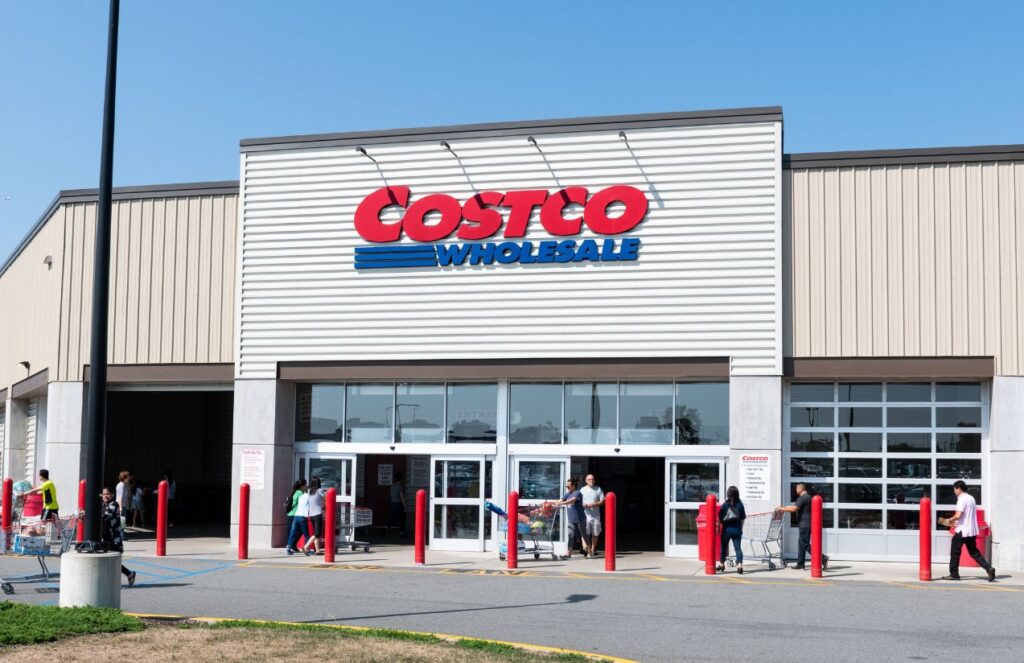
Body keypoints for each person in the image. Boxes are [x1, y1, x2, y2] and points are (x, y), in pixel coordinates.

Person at [943, 480, 995, 582]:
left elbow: (958, 515)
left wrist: (949, 520)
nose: (954, 492)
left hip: (962, 530)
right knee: (974, 552)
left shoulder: (961, 499)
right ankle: (988, 568)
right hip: (971, 530)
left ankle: (954, 574)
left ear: (959, 489)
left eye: (955, 489)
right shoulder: (971, 498)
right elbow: (967, 515)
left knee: (955, 552)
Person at [777, 483, 828, 571]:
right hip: (806, 524)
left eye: (797, 488)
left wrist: (781, 509)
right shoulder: (808, 497)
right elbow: (796, 507)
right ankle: (800, 564)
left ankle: (822, 557)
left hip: (805, 525)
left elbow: (793, 509)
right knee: (801, 544)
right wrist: (784, 507)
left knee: (804, 544)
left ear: (801, 489)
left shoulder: (802, 498)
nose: (796, 490)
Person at [100, 486, 137, 587]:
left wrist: (90, 514)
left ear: (112, 495)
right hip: (106, 537)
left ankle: (127, 575)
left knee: (113, 561)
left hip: (114, 538)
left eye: (107, 494)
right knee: (110, 561)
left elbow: (106, 516)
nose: (105, 496)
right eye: (103, 494)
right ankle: (129, 574)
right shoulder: (103, 505)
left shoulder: (113, 504)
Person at [554, 477, 587, 559]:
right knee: (570, 535)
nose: (567, 488)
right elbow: (560, 500)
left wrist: (561, 503)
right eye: (566, 486)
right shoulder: (567, 494)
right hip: (571, 520)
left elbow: (571, 501)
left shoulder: (577, 493)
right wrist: (551, 503)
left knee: (583, 535)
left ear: (573, 486)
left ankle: (589, 550)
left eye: (568, 486)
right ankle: (568, 554)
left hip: (580, 519)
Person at [717, 486, 746, 574]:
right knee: (738, 548)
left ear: (728, 494)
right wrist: (740, 529)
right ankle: (740, 566)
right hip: (737, 530)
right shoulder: (740, 505)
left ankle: (722, 565)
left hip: (727, 530)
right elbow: (742, 519)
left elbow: (720, 517)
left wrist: (719, 526)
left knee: (723, 547)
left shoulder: (725, 505)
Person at [580, 474, 605, 559]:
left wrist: (594, 504)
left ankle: (593, 549)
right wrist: (583, 505)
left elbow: (602, 501)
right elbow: (579, 502)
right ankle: (586, 550)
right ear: (586, 481)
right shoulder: (582, 490)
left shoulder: (598, 489)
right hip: (585, 515)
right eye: (589, 479)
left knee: (595, 533)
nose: (591, 480)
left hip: (595, 515)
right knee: (584, 533)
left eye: (593, 479)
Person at [301, 478, 325, 556]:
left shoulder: (309, 491)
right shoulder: (319, 490)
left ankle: (317, 550)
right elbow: (327, 497)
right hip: (318, 514)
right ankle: (306, 546)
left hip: (311, 515)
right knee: (317, 533)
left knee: (316, 533)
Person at [286, 484, 311, 555]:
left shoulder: (301, 497)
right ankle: (306, 549)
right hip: (303, 517)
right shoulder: (309, 497)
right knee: (306, 534)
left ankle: (288, 547)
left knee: (293, 533)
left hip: (296, 516)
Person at [285, 479, 307, 544]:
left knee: (293, 531)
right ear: (302, 486)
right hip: (295, 514)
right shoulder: (300, 493)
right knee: (298, 531)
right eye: (305, 485)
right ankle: (290, 545)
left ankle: (292, 545)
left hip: (290, 514)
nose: (306, 486)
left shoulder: (295, 492)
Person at [387, 472, 407, 538]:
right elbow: (402, 497)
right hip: (399, 504)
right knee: (402, 519)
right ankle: (402, 533)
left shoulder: (392, 486)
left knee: (392, 518)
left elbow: (391, 495)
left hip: (392, 504)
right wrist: (405, 506)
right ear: (401, 479)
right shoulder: (400, 487)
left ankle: (385, 529)